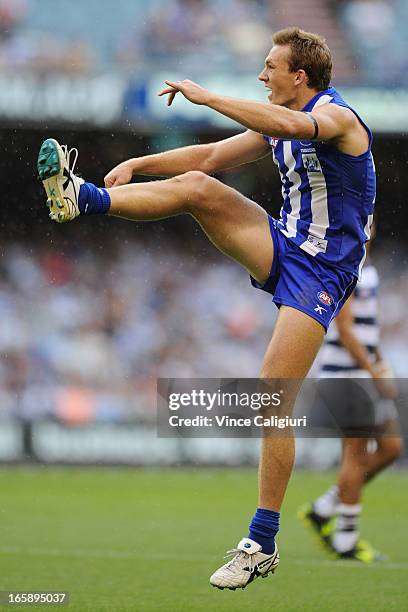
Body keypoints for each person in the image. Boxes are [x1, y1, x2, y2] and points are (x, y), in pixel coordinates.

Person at [37, 27, 376, 590]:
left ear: (301, 77)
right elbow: (214, 155)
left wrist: (208, 96)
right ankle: (82, 199)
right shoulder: (278, 123)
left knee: (273, 397)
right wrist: (139, 162)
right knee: (197, 185)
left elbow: (291, 125)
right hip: (285, 243)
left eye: (271, 67)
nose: (262, 75)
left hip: (325, 270)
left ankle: (259, 543)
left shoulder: (337, 118)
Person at [299, 231, 403, 562]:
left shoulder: (367, 269)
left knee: (391, 447)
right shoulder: (343, 266)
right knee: (355, 454)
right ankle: (346, 538)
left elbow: (367, 329)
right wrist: (373, 372)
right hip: (347, 373)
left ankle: (324, 508)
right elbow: (344, 330)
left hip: (364, 370)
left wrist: (380, 361)